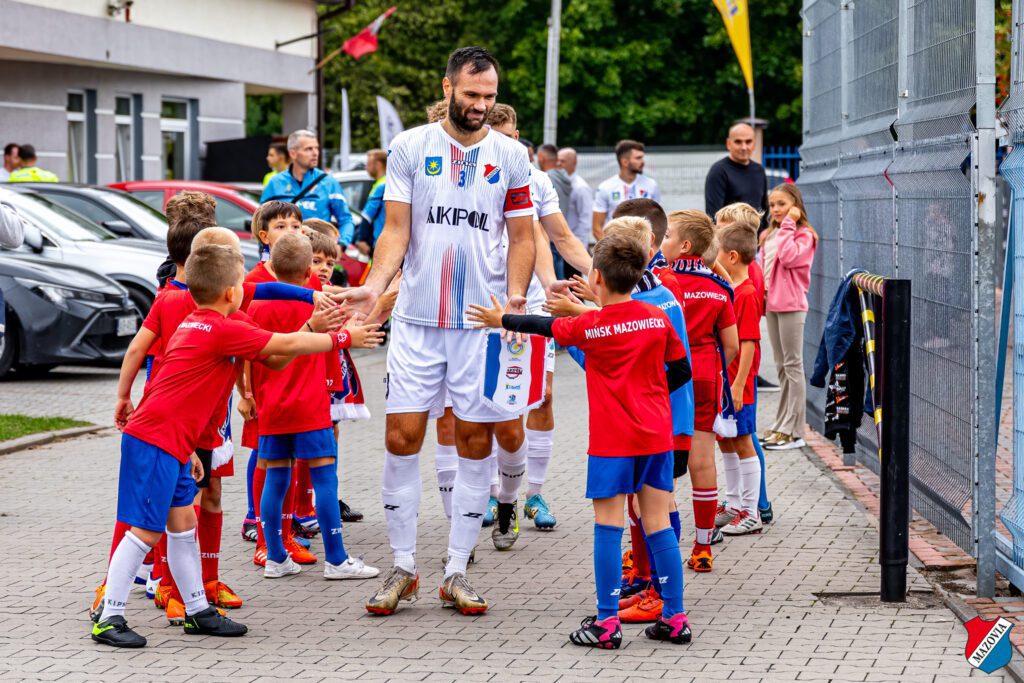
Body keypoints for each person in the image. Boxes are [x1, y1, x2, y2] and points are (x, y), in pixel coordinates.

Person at [339, 46, 537, 616]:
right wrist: (375, 289)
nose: (481, 105)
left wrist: (517, 298)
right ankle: (403, 568)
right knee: (402, 439)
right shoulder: (410, 147)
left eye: (490, 96)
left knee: (474, 441)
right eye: (472, 94)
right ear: (447, 87)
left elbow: (522, 238)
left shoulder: (512, 156)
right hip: (419, 321)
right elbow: (396, 232)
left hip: (480, 323)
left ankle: (456, 570)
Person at [91, 243, 355, 648]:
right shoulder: (224, 327)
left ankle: (197, 610)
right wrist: (341, 337)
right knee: (145, 531)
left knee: (183, 528)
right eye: (240, 282)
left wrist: (190, 449)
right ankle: (109, 616)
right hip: (155, 440)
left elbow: (274, 357)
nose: (245, 288)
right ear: (232, 292)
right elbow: (282, 349)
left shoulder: (200, 321)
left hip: (174, 443)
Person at [467, 229, 693, 648]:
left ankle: (607, 624)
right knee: (658, 524)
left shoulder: (590, 325)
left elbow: (544, 325)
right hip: (657, 435)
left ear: (598, 280)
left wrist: (500, 320)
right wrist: (645, 385)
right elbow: (681, 373)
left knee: (608, 526)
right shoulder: (658, 318)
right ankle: (675, 617)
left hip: (613, 441)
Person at [482, 103, 593, 540]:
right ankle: (495, 492)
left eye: (516, 137)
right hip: (484, 303)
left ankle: (536, 493)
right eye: (503, 138)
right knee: (492, 402)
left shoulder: (536, 177)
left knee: (542, 395)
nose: (513, 146)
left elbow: (556, 236)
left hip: (529, 304)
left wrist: (605, 277)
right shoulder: (472, 174)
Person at [247, 233, 382, 581]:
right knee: (324, 479)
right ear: (309, 268)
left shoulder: (255, 305)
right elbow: (340, 337)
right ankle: (336, 560)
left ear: (271, 266)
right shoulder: (319, 305)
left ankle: (275, 556)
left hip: (272, 406)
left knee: (275, 478)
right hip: (309, 405)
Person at [661, 209, 738, 573]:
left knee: (662, 460)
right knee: (702, 460)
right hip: (705, 374)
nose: (662, 241)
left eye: (667, 235)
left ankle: (660, 546)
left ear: (685, 245)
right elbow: (733, 346)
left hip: (665, 376)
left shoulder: (659, 282)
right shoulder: (719, 289)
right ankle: (703, 547)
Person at [713, 203, 774, 523]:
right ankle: (734, 503)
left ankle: (751, 510)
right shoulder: (733, 285)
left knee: (742, 440)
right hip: (727, 377)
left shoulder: (747, 292)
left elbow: (748, 341)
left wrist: (737, 384)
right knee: (727, 440)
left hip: (738, 379)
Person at [761, 185, 817, 451]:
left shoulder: (804, 235)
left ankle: (794, 431)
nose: (775, 210)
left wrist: (789, 224)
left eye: (781, 204)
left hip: (792, 306)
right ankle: (781, 423)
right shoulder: (770, 234)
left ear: (795, 205)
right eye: (772, 205)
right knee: (782, 366)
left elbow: (789, 257)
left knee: (793, 366)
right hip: (772, 305)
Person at [261, 130, 355, 247]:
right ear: (293, 153)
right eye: (309, 149)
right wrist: (264, 252)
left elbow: (346, 219)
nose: (315, 153)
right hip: (284, 255)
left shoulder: (328, 182)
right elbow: (262, 221)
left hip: (316, 255)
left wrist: (342, 244)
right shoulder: (275, 183)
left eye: (316, 148)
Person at [593, 140, 660, 241]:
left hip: (645, 249)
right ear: (624, 162)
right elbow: (596, 227)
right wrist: (611, 250)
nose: (643, 162)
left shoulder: (651, 185)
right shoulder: (605, 187)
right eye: (638, 158)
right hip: (616, 248)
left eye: (642, 157)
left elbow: (658, 220)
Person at [704, 122, 769, 224]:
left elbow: (764, 209)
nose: (744, 147)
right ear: (728, 144)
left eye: (748, 142)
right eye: (738, 142)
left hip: (757, 238)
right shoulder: (719, 171)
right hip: (730, 238)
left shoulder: (759, 170)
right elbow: (713, 216)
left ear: (754, 144)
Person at [558, 146, 594, 275]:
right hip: (559, 244)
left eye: (562, 161)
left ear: (573, 163)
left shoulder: (580, 187)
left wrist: (580, 245)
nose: (558, 164)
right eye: (557, 160)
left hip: (573, 243)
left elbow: (585, 218)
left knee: (573, 283)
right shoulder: (560, 183)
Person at [358, 148, 388, 254]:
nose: (366, 167)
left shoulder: (381, 186)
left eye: (369, 163)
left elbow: (367, 215)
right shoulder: (389, 182)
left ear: (378, 165)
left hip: (381, 241)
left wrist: (361, 239)